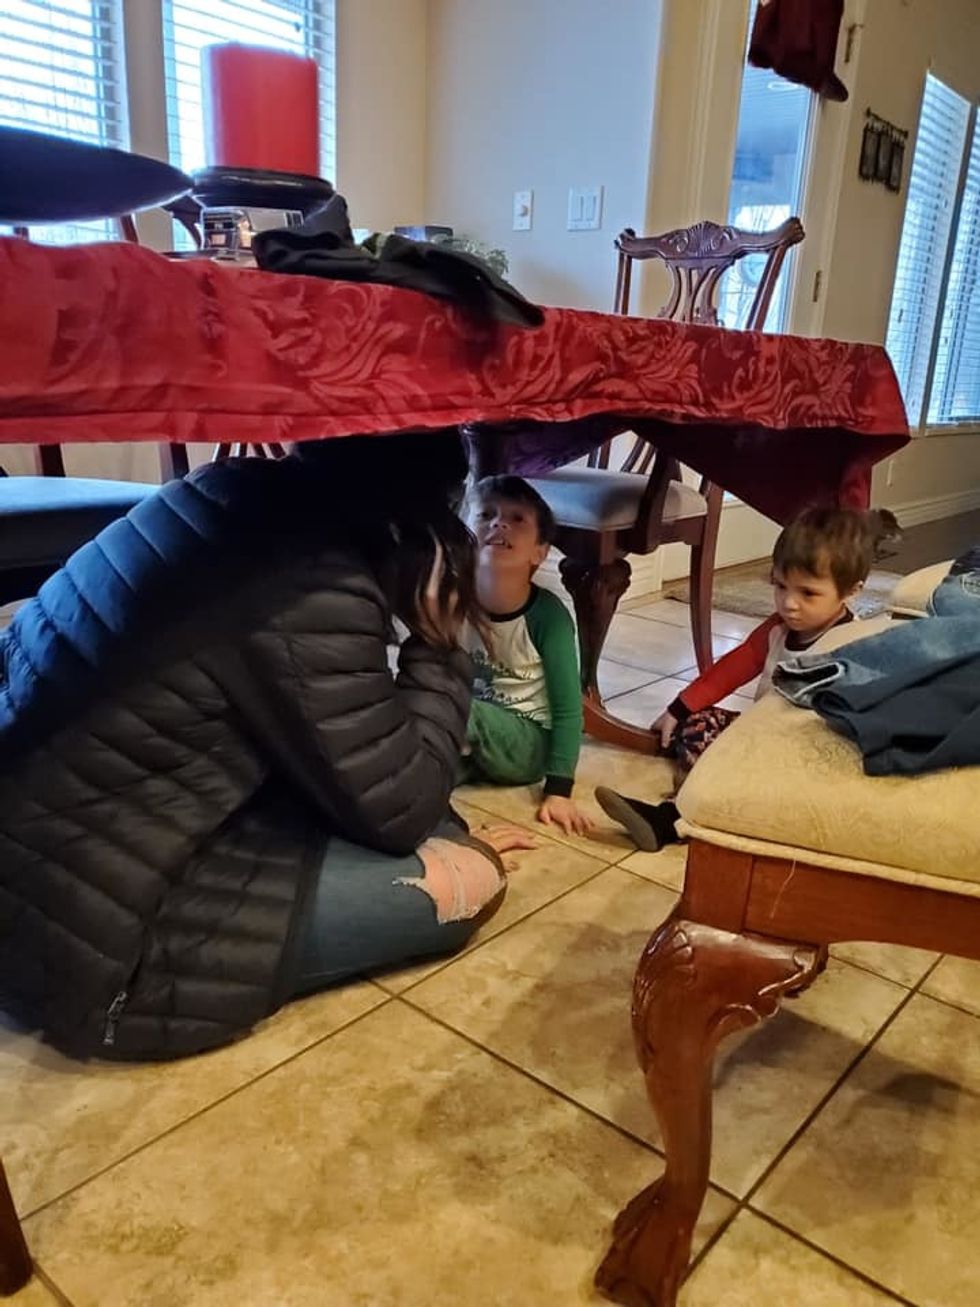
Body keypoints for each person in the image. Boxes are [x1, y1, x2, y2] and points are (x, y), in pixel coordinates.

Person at [0, 431, 532, 1061]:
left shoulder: (223, 489)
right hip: (103, 951)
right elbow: (403, 811)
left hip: (44, 869)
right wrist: (443, 635)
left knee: (419, 819)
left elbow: (333, 741)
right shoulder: (315, 578)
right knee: (472, 877)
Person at [595, 506, 875, 851]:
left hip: (803, 752)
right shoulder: (777, 628)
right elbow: (735, 666)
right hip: (757, 734)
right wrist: (680, 708)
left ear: (852, 591)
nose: (789, 603)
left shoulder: (855, 645)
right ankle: (709, 792)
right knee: (697, 725)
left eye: (808, 593)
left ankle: (673, 818)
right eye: (780, 585)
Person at [461, 475, 593, 836]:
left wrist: (559, 790)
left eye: (517, 519)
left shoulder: (548, 617)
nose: (498, 523)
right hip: (473, 733)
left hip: (529, 742)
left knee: (455, 709)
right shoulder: (453, 602)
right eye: (485, 514)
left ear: (540, 551)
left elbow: (569, 709)